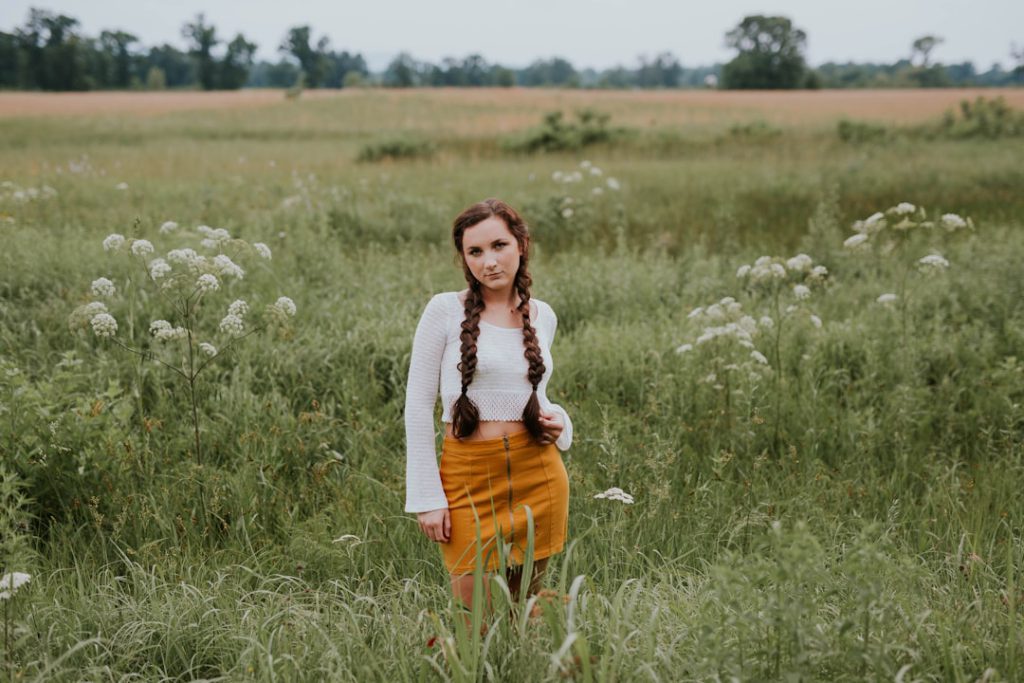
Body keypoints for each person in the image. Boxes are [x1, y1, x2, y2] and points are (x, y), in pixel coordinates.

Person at [404, 198, 573, 620]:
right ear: (463, 258)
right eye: (475, 252)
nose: (489, 262)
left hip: (539, 472)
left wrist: (561, 423)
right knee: (474, 618)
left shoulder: (543, 315)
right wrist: (427, 497)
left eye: (499, 246)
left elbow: (536, 394)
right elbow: (417, 406)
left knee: (522, 610)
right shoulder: (444, 310)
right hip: (467, 476)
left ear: (521, 244)